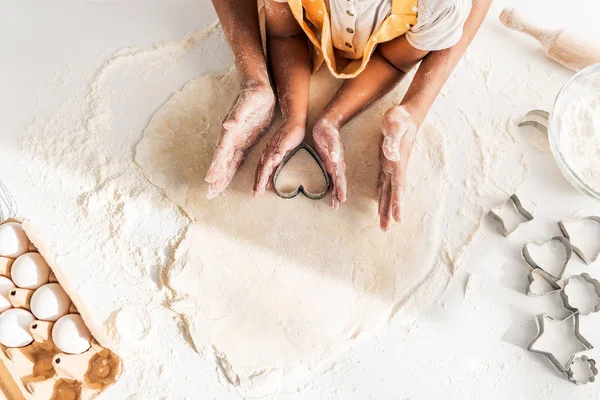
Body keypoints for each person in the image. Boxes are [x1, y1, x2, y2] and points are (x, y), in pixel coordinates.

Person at [205, 0, 492, 231]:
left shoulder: (442, 6)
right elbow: (286, 32)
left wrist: (335, 117)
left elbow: (393, 60)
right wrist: (292, 115)